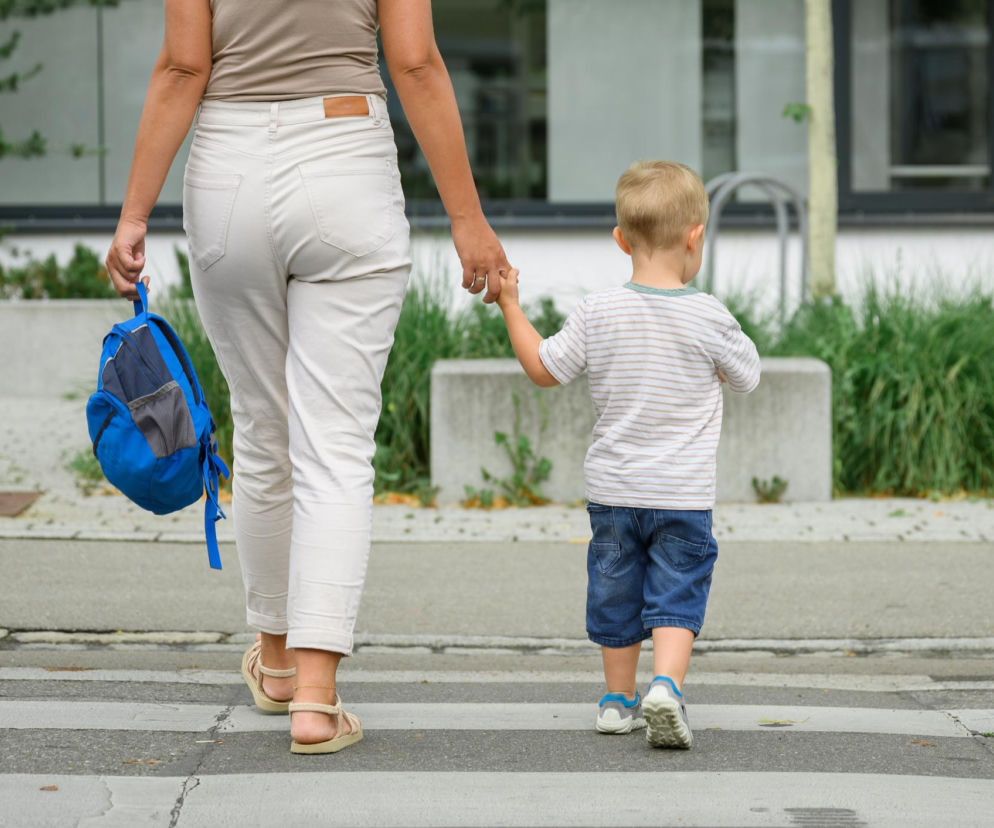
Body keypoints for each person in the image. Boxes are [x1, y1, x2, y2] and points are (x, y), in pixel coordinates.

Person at [104, 0, 510, 755]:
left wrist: (133, 214)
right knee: (335, 446)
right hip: (345, 157)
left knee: (263, 431)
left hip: (227, 168)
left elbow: (184, 67)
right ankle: (317, 703)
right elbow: (415, 62)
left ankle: (280, 663)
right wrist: (467, 218)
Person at [495, 160, 760, 749]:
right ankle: (666, 685)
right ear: (696, 237)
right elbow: (747, 376)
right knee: (676, 589)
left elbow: (545, 368)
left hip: (614, 493)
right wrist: (721, 349)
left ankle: (617, 702)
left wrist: (512, 305)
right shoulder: (708, 313)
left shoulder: (597, 310)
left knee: (616, 589)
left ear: (621, 239)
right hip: (682, 495)